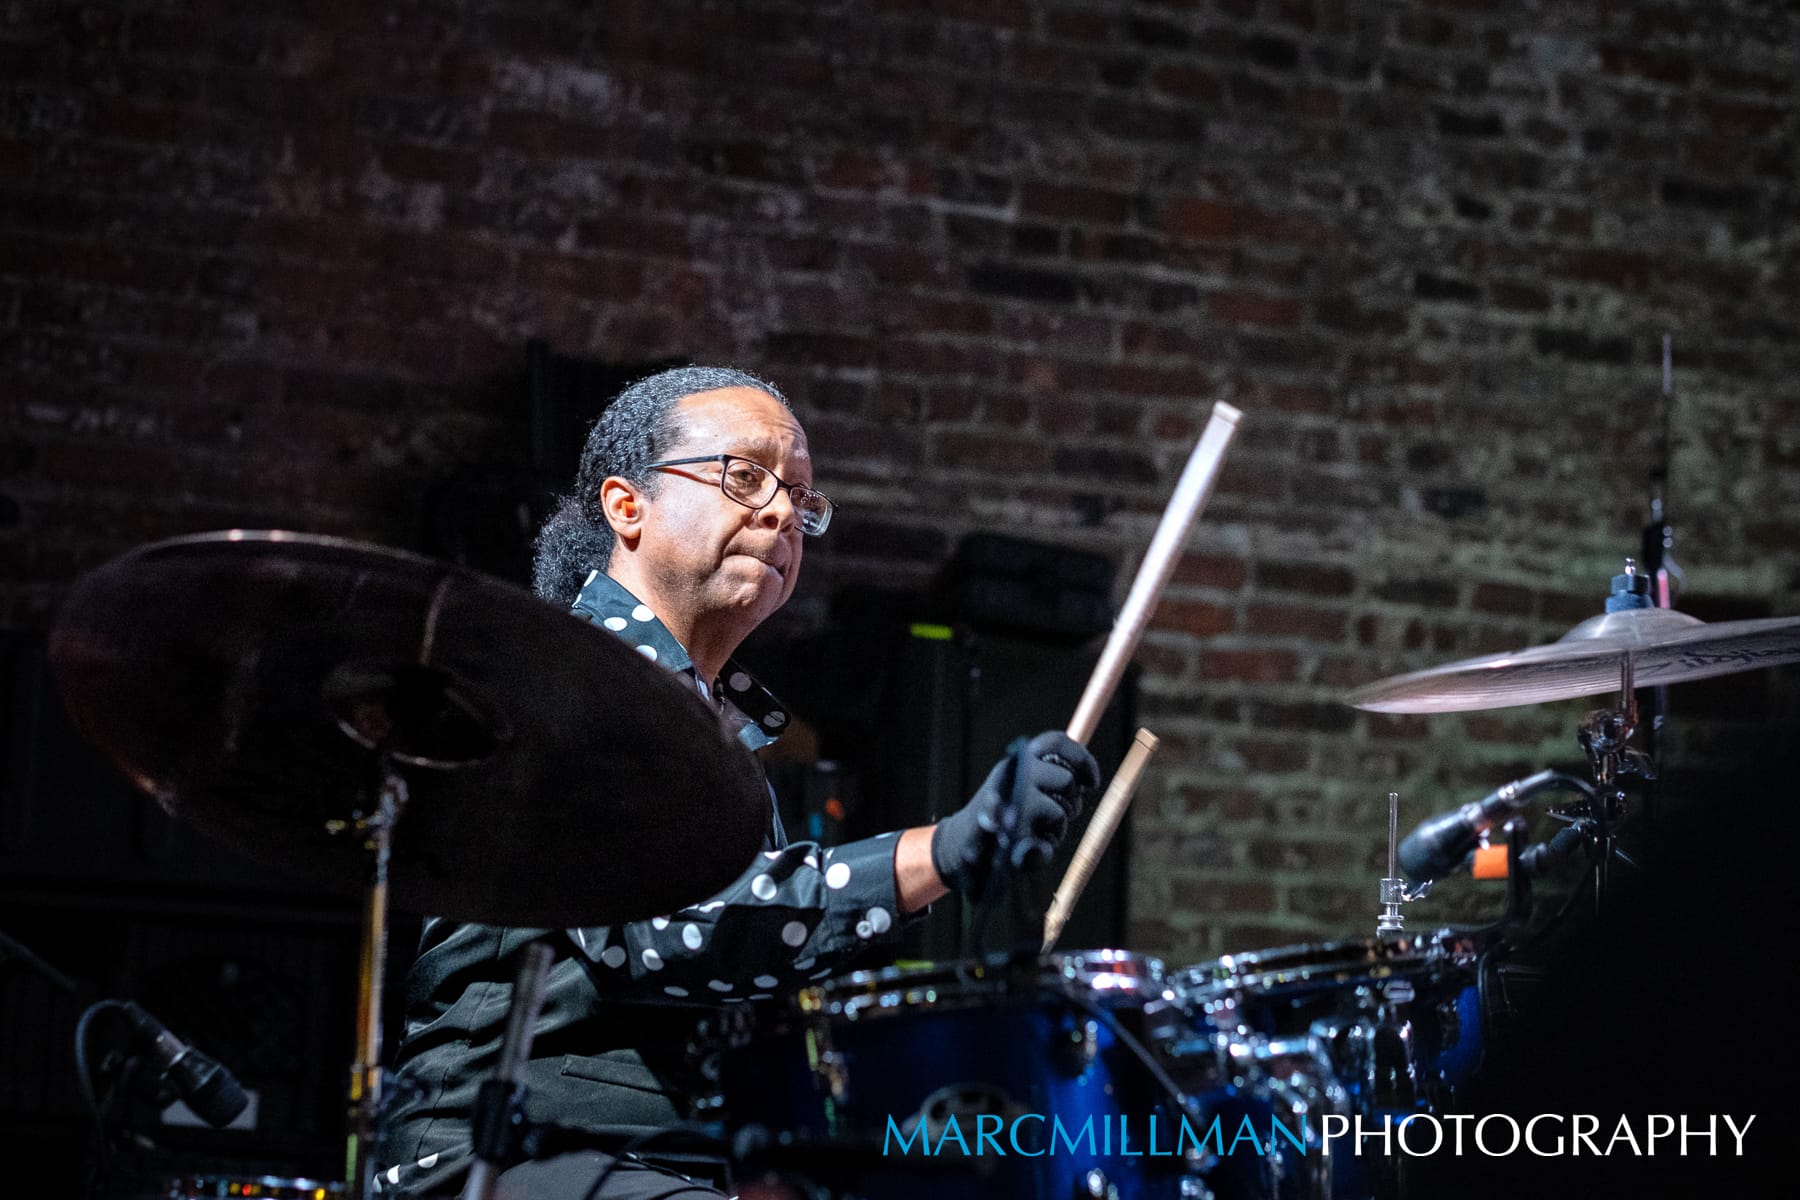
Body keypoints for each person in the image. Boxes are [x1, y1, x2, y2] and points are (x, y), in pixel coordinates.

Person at [378, 366, 1099, 1198]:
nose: (783, 511)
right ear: (627, 506)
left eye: (801, 496)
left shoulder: (710, 726)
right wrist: (938, 852)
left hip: (664, 1164)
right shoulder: (568, 683)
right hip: (496, 1160)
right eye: (746, 476)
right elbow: (676, 928)